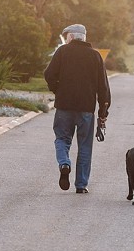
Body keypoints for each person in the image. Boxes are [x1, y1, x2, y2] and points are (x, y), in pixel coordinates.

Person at [44, 23, 111, 194]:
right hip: (86, 110)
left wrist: (57, 90)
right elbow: (103, 87)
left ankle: (64, 163)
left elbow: (49, 74)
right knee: (85, 147)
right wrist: (103, 111)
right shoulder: (95, 56)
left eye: (67, 36)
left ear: (72, 37)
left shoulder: (62, 52)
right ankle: (81, 185)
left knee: (62, 139)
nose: (66, 39)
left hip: (64, 107)